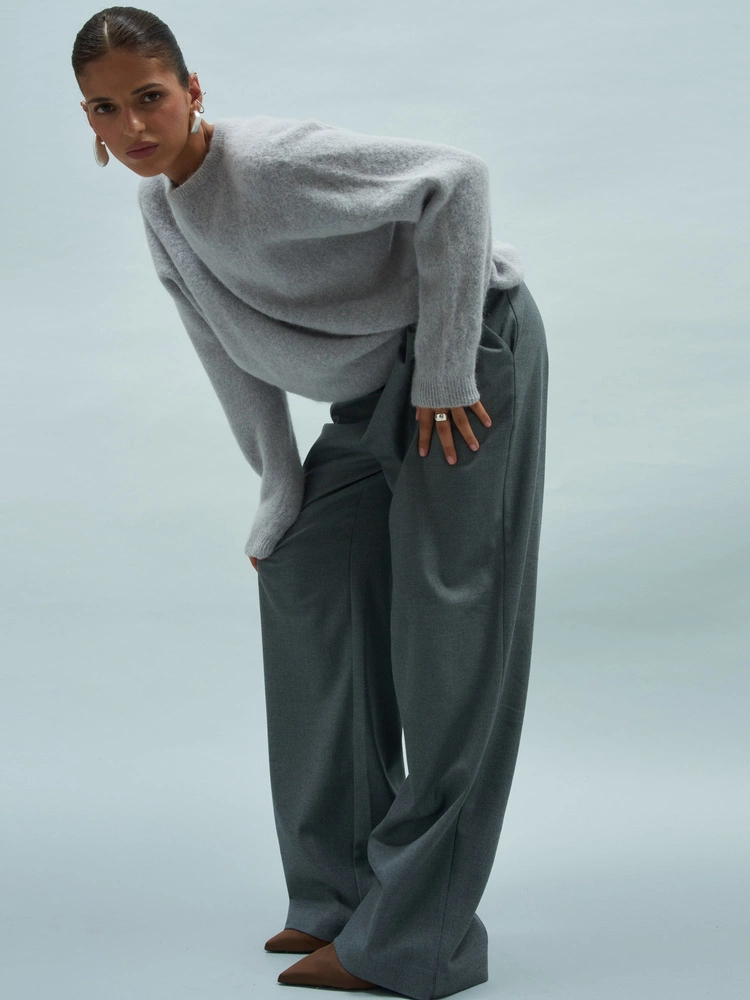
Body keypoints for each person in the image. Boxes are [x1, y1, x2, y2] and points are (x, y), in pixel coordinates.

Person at [72, 8, 549, 999]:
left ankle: (417, 941)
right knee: (302, 569)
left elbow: (458, 180)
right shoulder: (162, 213)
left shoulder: (270, 163)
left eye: (150, 97)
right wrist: (278, 485)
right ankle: (341, 895)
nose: (134, 126)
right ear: (90, 120)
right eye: (107, 109)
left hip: (462, 362)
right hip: (370, 394)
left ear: (193, 91)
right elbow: (227, 354)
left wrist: (445, 373)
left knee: (447, 639)